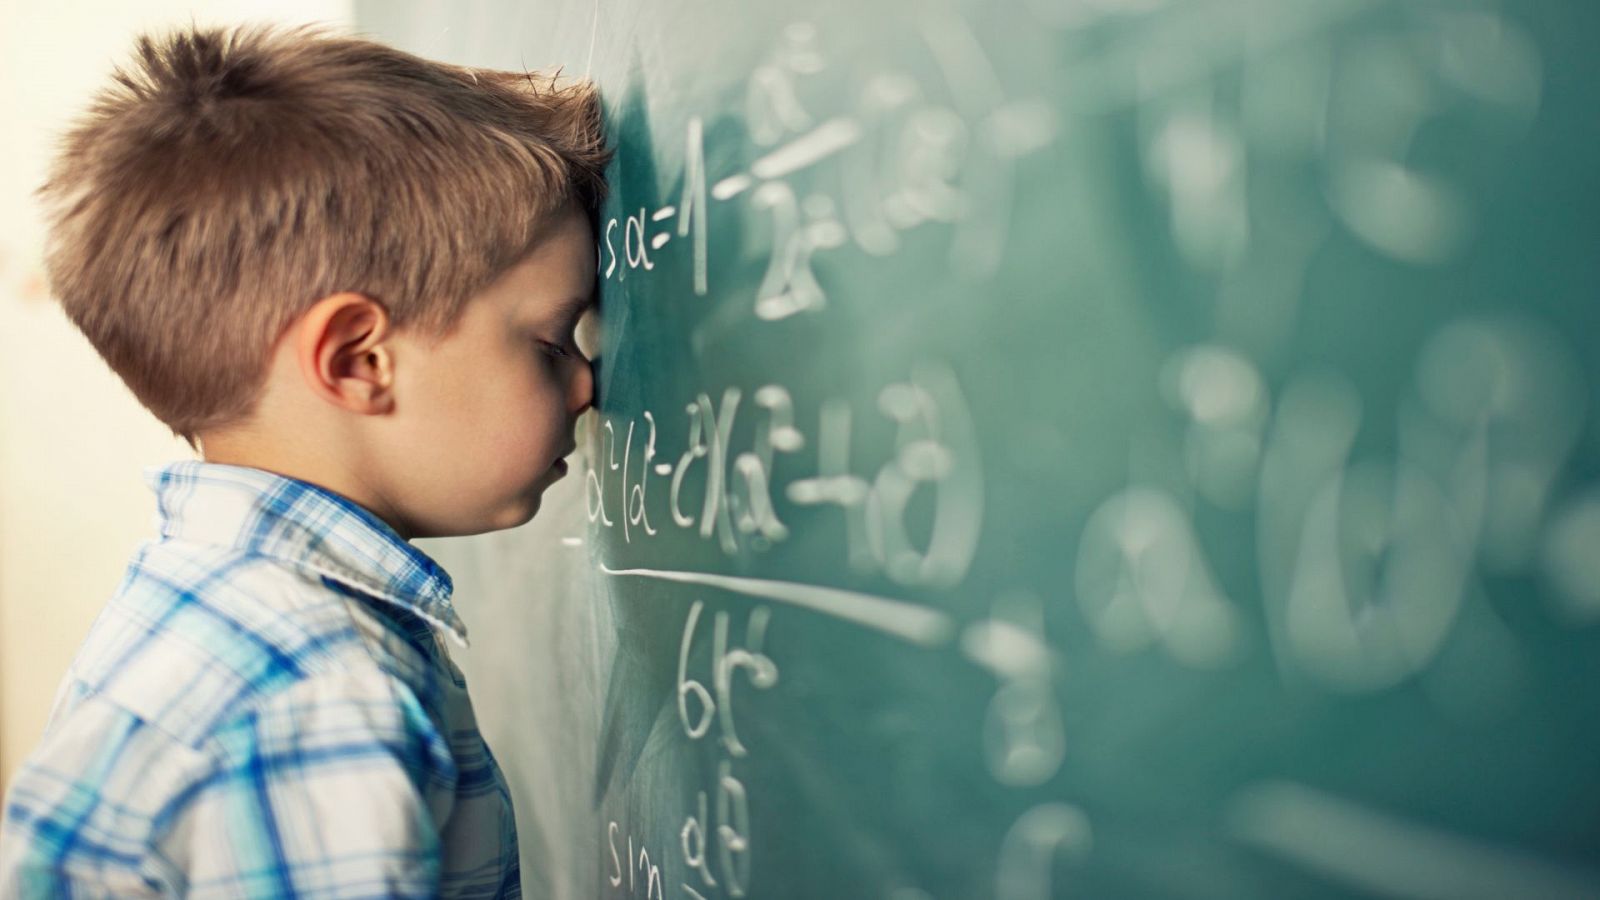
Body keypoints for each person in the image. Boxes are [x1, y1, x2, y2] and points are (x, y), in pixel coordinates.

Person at [0, 20, 610, 898]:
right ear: (360, 361)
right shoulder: (316, 696)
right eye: (554, 340)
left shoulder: (206, 610)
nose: (589, 385)